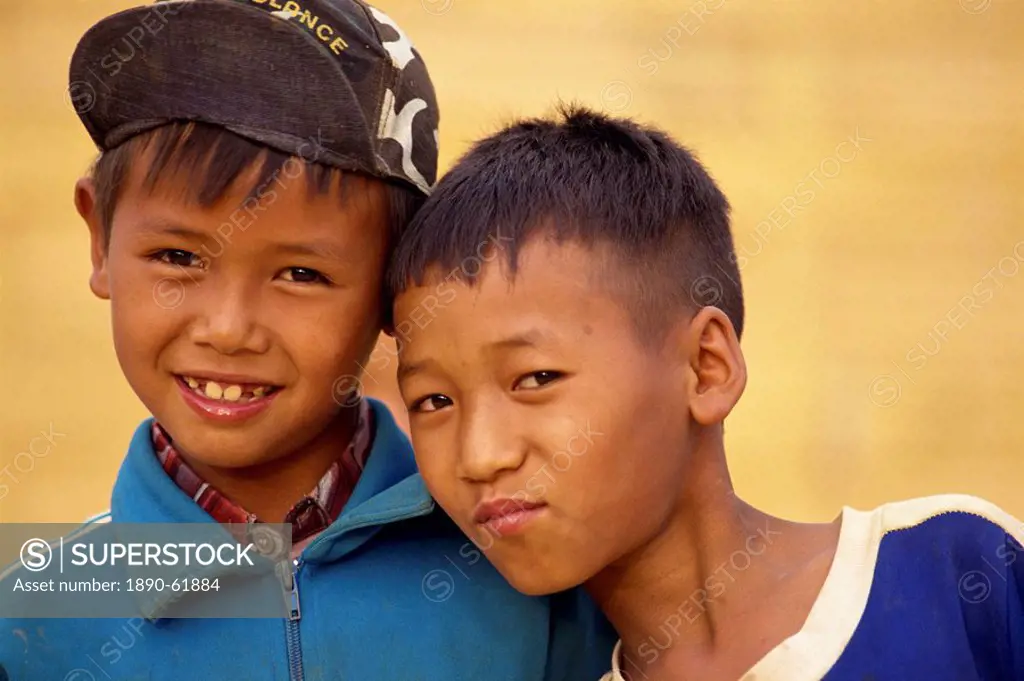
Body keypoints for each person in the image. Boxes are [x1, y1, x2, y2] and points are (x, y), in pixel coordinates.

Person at [0, 4, 614, 679]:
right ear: (99, 237)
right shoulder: (36, 620)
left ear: (393, 287)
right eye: (178, 257)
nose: (228, 328)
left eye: (300, 273)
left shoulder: (524, 564)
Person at [385, 104, 1024, 681]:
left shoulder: (953, 573)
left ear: (705, 368)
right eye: (433, 402)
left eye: (536, 379)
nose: (479, 456)